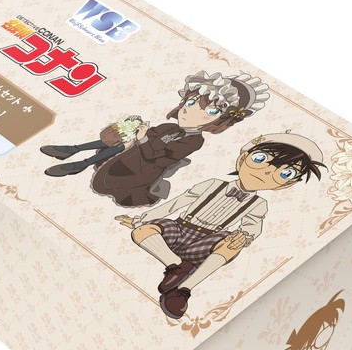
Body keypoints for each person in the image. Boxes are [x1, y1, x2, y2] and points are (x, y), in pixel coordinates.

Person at [116, 132, 327, 318]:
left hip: (207, 242)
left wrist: (244, 236)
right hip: (180, 229)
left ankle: (184, 290)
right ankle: (175, 265)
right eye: (260, 159)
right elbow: (178, 202)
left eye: (284, 173)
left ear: (286, 185)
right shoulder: (213, 184)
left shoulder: (258, 204)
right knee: (142, 231)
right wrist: (141, 219)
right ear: (242, 159)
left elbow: (253, 225)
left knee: (232, 243)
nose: (266, 172)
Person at [40, 71, 269, 207]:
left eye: (210, 111)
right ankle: (74, 152)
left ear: (222, 121)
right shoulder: (170, 126)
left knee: (126, 150)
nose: (190, 111)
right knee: (125, 137)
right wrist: (136, 128)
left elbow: (159, 160)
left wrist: (141, 140)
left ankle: (79, 161)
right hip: (131, 157)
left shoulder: (194, 141)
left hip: (140, 171)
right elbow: (148, 137)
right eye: (190, 102)